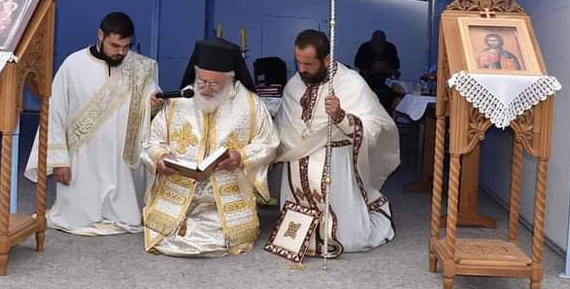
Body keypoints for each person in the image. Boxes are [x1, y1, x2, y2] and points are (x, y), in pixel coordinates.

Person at [24, 12, 162, 236]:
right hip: (83, 158)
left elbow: (151, 105)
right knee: (76, 215)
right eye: (115, 45)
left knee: (126, 212)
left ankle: (121, 215)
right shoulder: (73, 65)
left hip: (122, 160)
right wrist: (59, 161)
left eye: (126, 46)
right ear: (100, 35)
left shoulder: (140, 67)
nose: (121, 52)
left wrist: (155, 105)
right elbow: (55, 112)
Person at [141, 37, 279, 257]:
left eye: (214, 84)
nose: (205, 88)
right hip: (179, 191)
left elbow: (268, 144)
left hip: (226, 197)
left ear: (230, 79)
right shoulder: (181, 99)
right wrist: (159, 158)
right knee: (167, 235)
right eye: (201, 81)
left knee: (222, 238)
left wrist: (241, 156)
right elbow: (151, 140)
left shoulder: (250, 105)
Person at [274, 29, 400, 257]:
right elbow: (284, 126)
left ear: (326, 59)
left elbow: (374, 127)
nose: (302, 69)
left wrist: (342, 117)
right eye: (298, 62)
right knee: (292, 238)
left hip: (335, 163)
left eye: (308, 64)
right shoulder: (295, 83)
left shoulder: (351, 83)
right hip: (296, 165)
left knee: (349, 240)